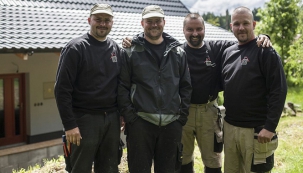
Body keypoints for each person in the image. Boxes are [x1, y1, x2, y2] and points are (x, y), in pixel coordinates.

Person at [122, 12, 271, 173]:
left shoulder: (216, 48)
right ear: (183, 30)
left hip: (209, 112)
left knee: (213, 159)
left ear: (204, 29)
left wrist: (262, 36)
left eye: (199, 29)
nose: (195, 33)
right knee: (183, 158)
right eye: (190, 29)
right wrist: (133, 39)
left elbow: (243, 40)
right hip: (182, 113)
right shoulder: (176, 52)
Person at [117, 5, 192, 173]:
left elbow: (186, 87)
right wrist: (131, 118)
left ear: (164, 22)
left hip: (172, 124)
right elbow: (122, 87)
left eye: (157, 21)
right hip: (140, 123)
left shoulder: (178, 53)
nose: (154, 25)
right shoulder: (130, 51)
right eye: (149, 21)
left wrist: (181, 118)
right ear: (142, 23)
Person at [54, 4, 125, 173]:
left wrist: (122, 114)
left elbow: (121, 85)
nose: (102, 24)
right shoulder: (76, 48)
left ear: (112, 22)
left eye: (107, 20)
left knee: (109, 168)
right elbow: (62, 90)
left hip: (111, 120)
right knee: (80, 168)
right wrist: (70, 125)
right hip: (84, 121)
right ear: (89, 20)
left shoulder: (116, 49)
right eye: (98, 19)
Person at [221, 6, 287, 173]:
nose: (241, 27)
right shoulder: (228, 52)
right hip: (230, 127)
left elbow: (278, 90)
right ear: (231, 27)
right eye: (236, 24)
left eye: (246, 23)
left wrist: (270, 126)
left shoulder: (265, 51)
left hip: (256, 131)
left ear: (254, 24)